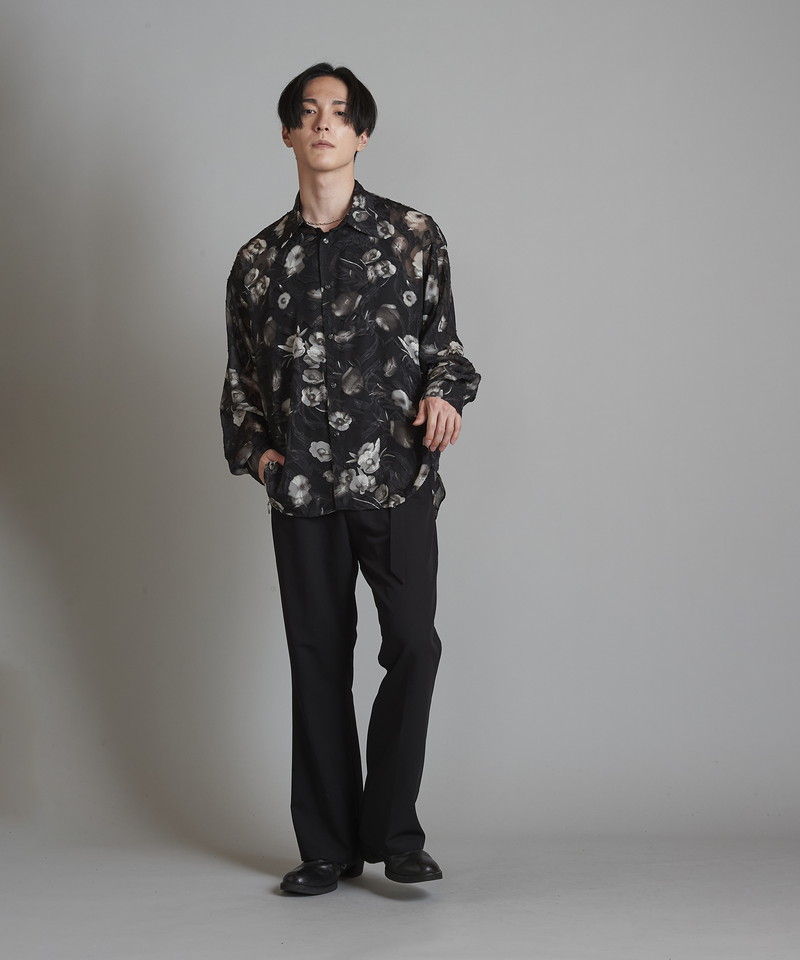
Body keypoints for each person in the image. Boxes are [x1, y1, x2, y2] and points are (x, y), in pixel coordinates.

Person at [220, 62, 480, 896]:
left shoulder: (413, 236)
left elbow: (446, 347)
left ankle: (394, 833)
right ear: (288, 133)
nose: (323, 124)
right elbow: (242, 384)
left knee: (413, 645)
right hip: (303, 493)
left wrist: (444, 395)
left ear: (362, 133)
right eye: (308, 113)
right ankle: (327, 848)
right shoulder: (257, 263)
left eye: (339, 113)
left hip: (395, 480)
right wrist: (262, 457)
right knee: (318, 660)